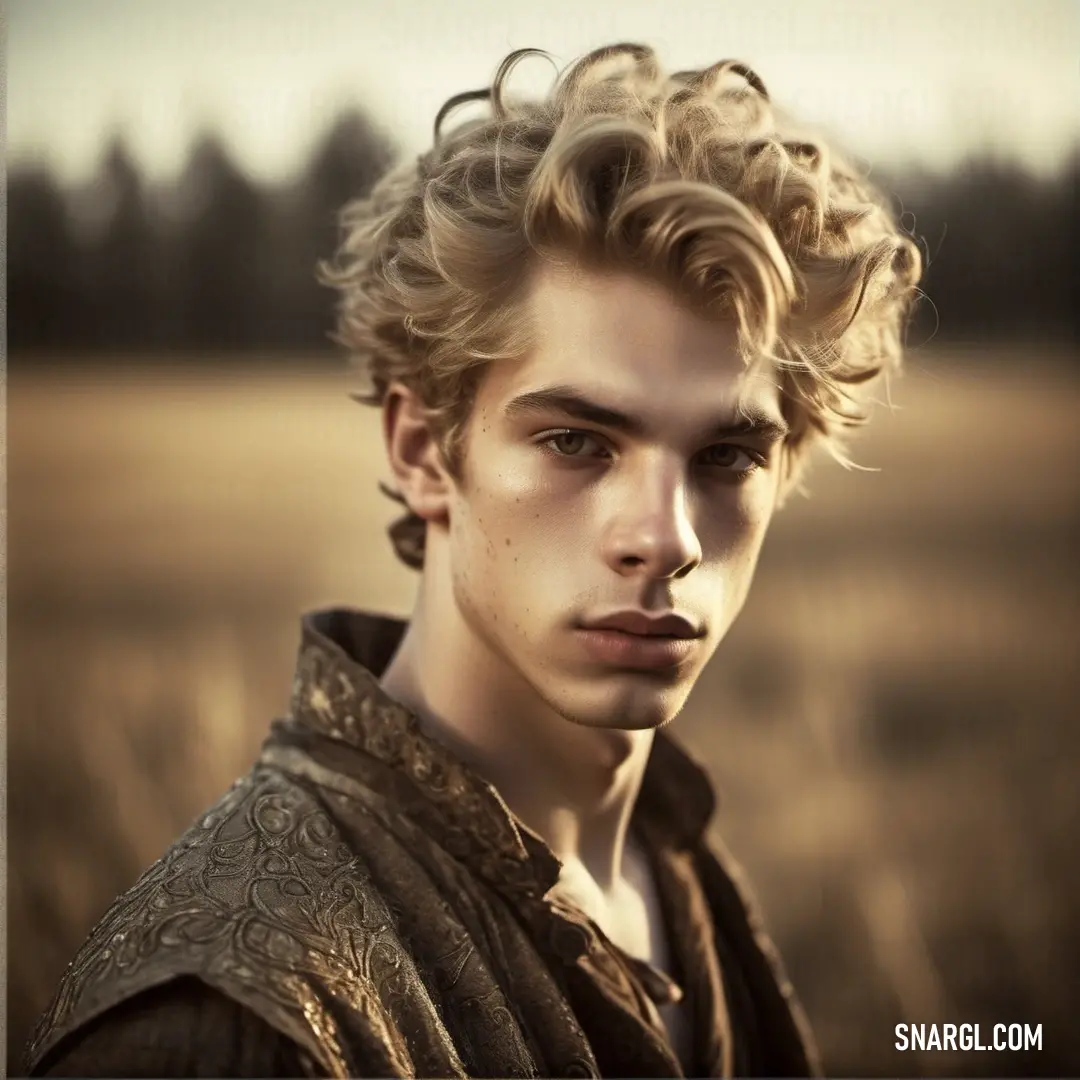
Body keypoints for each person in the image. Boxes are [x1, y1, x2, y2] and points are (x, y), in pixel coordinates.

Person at [25, 42, 921, 1078]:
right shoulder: (228, 1023)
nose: (667, 537)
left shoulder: (668, 867)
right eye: (576, 441)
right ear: (422, 451)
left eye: (727, 455)